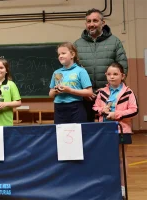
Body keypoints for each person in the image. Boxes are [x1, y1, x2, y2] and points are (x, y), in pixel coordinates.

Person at [93, 62, 138, 198]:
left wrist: (116, 114)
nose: (112, 77)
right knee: (105, 158)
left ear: (122, 76)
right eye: (109, 74)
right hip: (104, 130)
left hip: (121, 130)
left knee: (120, 158)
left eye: (115, 74)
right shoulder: (101, 92)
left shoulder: (128, 92)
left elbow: (134, 110)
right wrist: (102, 110)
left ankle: (122, 186)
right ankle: (107, 184)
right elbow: (95, 107)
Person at [74, 8, 128, 122]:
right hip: (85, 97)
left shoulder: (115, 42)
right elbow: (73, 72)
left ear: (103, 23)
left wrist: (107, 91)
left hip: (109, 96)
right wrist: (84, 92)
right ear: (85, 24)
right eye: (88, 21)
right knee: (86, 130)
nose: (91, 24)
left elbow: (123, 67)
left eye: (95, 21)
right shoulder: (77, 44)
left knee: (107, 131)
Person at [49, 42, 93, 124]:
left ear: (72, 55)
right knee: (61, 135)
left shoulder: (81, 71)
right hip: (59, 107)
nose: (60, 56)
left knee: (77, 135)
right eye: (59, 54)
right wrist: (55, 91)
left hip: (75, 107)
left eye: (63, 53)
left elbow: (89, 92)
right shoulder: (56, 72)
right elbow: (50, 94)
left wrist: (70, 90)